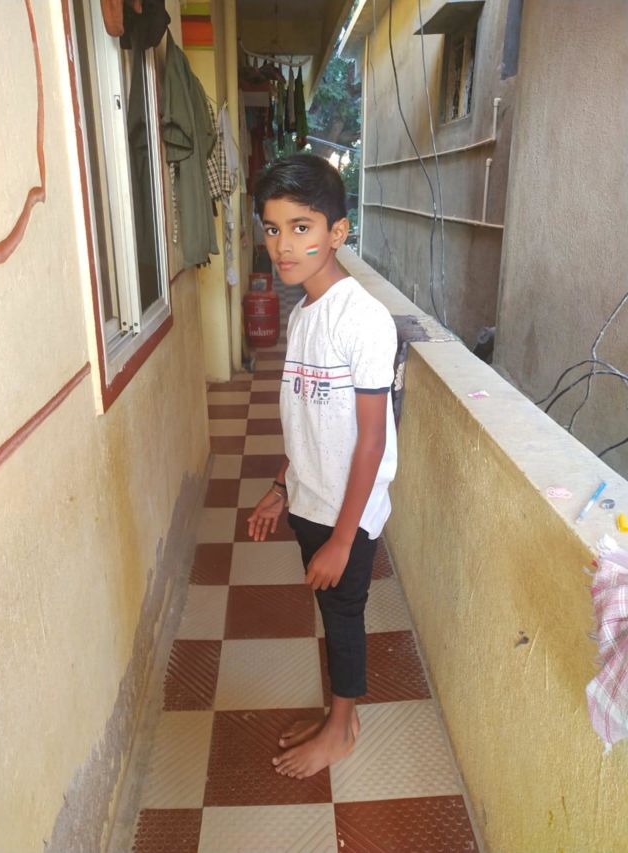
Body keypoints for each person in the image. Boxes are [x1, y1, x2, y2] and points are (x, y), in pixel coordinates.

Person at [248, 154, 397, 779]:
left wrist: (343, 537)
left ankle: (341, 728)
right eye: (272, 228)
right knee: (331, 610)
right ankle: (340, 717)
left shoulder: (363, 320)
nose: (283, 246)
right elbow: (309, 418)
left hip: (348, 512)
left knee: (343, 614)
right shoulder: (303, 313)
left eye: (301, 227)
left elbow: (371, 440)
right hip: (310, 498)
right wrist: (280, 486)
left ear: (337, 232)